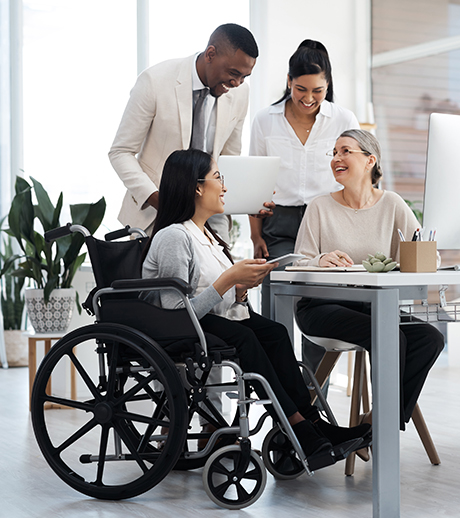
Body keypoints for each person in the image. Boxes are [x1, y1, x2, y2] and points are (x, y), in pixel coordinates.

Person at [141, 148, 371, 457]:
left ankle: (313, 422)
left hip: (209, 319)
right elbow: (175, 312)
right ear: (197, 187)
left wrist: (240, 288)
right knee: (247, 338)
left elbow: (216, 294)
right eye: (218, 177)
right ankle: (298, 427)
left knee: (274, 332)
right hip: (182, 327)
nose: (224, 186)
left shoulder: (208, 236)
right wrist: (228, 280)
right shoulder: (174, 237)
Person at [294, 129, 445, 430]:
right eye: (334, 153)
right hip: (320, 306)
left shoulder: (392, 204)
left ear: (369, 160)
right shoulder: (320, 207)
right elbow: (299, 262)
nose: (336, 158)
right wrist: (319, 260)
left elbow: (430, 258)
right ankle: (382, 427)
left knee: (430, 338)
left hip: (370, 307)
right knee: (388, 333)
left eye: (345, 151)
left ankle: (376, 422)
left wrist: (403, 262)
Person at [249, 39, 359, 377]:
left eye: (318, 90)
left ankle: (314, 401)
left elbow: (354, 174)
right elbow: (254, 179)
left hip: (326, 220)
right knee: (277, 308)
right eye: (301, 89)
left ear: (328, 85)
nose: (309, 98)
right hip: (278, 224)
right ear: (288, 81)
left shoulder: (342, 118)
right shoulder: (265, 120)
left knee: (319, 310)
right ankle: (281, 398)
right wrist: (255, 236)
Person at [109, 23, 263, 242]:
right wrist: (159, 200)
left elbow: (228, 159)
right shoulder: (155, 81)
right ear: (211, 54)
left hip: (210, 219)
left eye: (244, 77)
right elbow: (120, 152)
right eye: (233, 73)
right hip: (156, 213)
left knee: (219, 275)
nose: (237, 83)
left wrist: (249, 200)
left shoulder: (240, 94)